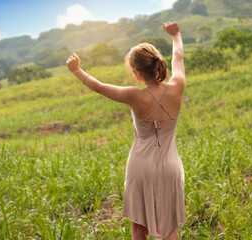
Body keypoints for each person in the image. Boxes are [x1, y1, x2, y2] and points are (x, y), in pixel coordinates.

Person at [66, 21, 185, 240]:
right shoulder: (177, 86)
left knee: (139, 228)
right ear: (157, 63)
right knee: (170, 228)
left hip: (140, 168)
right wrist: (176, 35)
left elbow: (100, 87)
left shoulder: (135, 96)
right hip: (170, 166)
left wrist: (77, 71)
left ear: (137, 72)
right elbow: (178, 57)